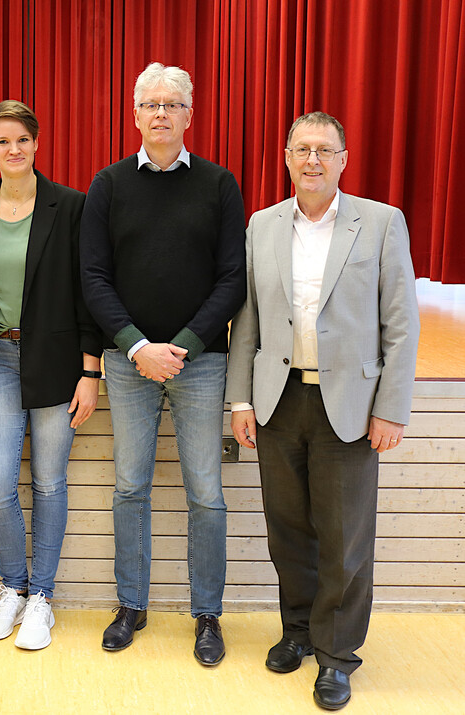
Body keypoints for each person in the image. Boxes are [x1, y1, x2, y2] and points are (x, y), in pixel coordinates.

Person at [226, 111, 419, 710]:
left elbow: (401, 324)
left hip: (352, 409)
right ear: (285, 157)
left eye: (324, 150)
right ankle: (299, 632)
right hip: (279, 402)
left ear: (343, 159)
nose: (313, 160)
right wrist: (240, 398)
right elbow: (249, 321)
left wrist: (391, 408)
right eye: (302, 149)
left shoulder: (381, 223)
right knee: (288, 532)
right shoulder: (262, 225)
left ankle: (337, 657)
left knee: (344, 539)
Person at [80, 62, 246, 665]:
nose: (159, 114)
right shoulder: (109, 185)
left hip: (199, 364)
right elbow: (93, 277)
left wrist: (183, 346)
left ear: (188, 115)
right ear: (134, 115)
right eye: (149, 104)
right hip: (128, 363)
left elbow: (233, 278)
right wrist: (135, 346)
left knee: (206, 493)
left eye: (171, 104)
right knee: (131, 487)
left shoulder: (220, 185)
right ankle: (131, 604)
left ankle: (208, 614)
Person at [0, 100, 102, 650]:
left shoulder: (70, 206)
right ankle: (12, 589)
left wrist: (90, 371)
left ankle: (41, 597)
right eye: (2, 141)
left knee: (49, 481)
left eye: (22, 139)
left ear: (37, 144)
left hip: (59, 359)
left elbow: (90, 292)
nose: (13, 149)